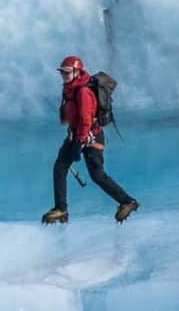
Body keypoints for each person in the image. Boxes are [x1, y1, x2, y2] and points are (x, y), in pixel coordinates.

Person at [44, 54, 139, 224]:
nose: (64, 75)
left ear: (76, 71)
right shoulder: (70, 88)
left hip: (89, 138)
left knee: (97, 175)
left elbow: (86, 119)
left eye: (67, 72)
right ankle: (61, 209)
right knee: (60, 168)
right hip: (77, 136)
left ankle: (127, 202)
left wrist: (79, 143)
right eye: (62, 72)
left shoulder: (83, 92)